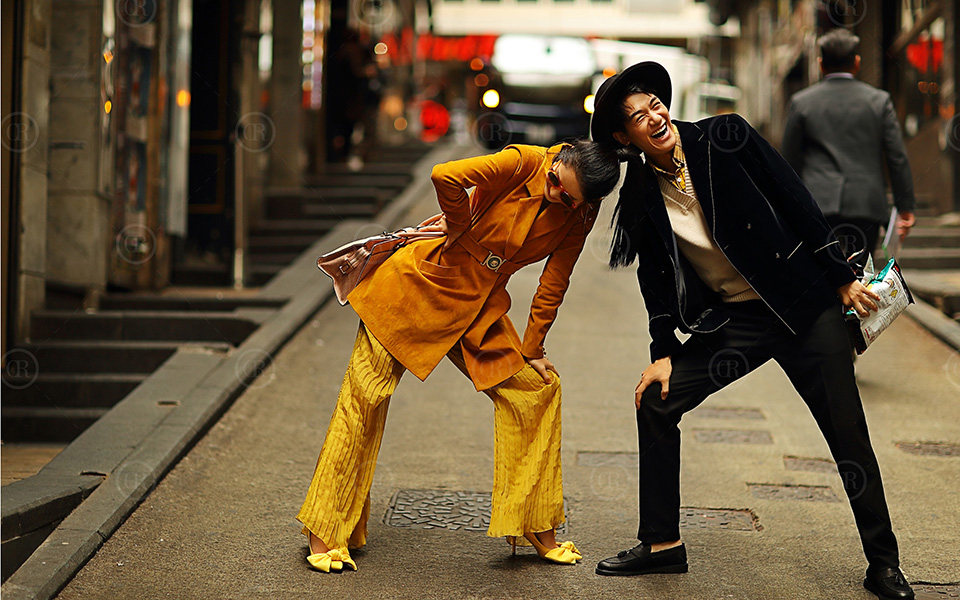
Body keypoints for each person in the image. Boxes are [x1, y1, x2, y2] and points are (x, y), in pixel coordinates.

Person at [589, 62, 914, 600]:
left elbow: (794, 198)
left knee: (848, 435)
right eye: (638, 117)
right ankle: (663, 544)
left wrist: (839, 277)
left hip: (805, 307)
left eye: (656, 105)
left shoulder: (725, 136)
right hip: (738, 322)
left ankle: (884, 563)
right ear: (625, 137)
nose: (655, 117)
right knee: (657, 401)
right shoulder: (642, 193)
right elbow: (656, 280)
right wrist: (663, 351)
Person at [297, 140, 620, 572]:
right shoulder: (523, 161)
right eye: (557, 182)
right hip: (420, 282)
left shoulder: (579, 214)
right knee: (366, 397)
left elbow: (554, 281)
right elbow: (444, 175)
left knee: (537, 390)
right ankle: (325, 531)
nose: (556, 194)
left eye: (569, 198)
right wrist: (458, 223)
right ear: (558, 160)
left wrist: (533, 348)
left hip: (478, 306)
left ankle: (535, 523)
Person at [782, 28, 916, 266]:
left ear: (821, 64)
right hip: (865, 204)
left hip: (817, 204)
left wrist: (788, 208)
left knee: (822, 272)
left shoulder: (801, 103)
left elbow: (789, 162)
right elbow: (896, 156)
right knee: (860, 271)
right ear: (856, 62)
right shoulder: (879, 101)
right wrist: (904, 207)